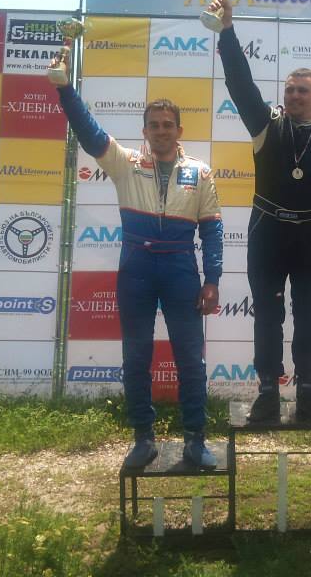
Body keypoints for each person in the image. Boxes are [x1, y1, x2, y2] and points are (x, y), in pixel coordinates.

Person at [48, 55, 223, 470]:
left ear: (179, 131)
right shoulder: (126, 164)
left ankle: (195, 439)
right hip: (137, 269)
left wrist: (213, 278)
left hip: (180, 268)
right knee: (136, 357)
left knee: (190, 358)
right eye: (154, 125)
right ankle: (143, 439)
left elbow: (212, 230)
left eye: (168, 125)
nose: (161, 131)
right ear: (144, 131)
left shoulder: (199, 173)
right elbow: (89, 132)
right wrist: (65, 88)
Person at [210, 0, 311, 423]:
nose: (294, 95)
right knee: (268, 315)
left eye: (302, 90)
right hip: (267, 233)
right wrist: (227, 31)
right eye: (289, 90)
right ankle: (268, 391)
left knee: (309, 317)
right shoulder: (264, 125)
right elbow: (240, 82)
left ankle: (307, 391)